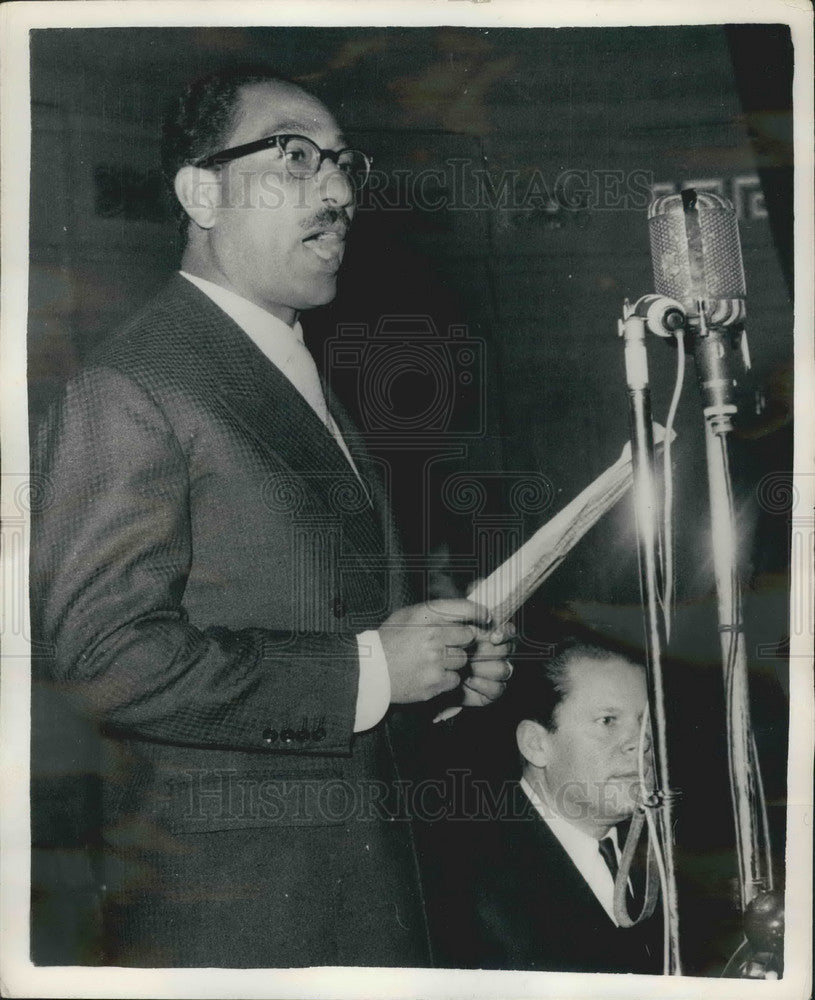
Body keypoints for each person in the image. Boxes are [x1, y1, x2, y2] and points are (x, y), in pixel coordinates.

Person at [29, 67, 513, 968]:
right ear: (200, 192)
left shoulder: (287, 364)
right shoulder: (131, 385)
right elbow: (101, 657)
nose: (336, 192)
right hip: (237, 924)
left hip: (357, 895)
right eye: (294, 157)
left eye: (341, 165)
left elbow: (328, 617)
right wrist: (370, 668)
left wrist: (437, 670)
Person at [432, 638, 663, 974]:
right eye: (608, 721)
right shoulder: (465, 882)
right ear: (536, 745)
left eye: (645, 722)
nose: (640, 744)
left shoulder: (666, 859)